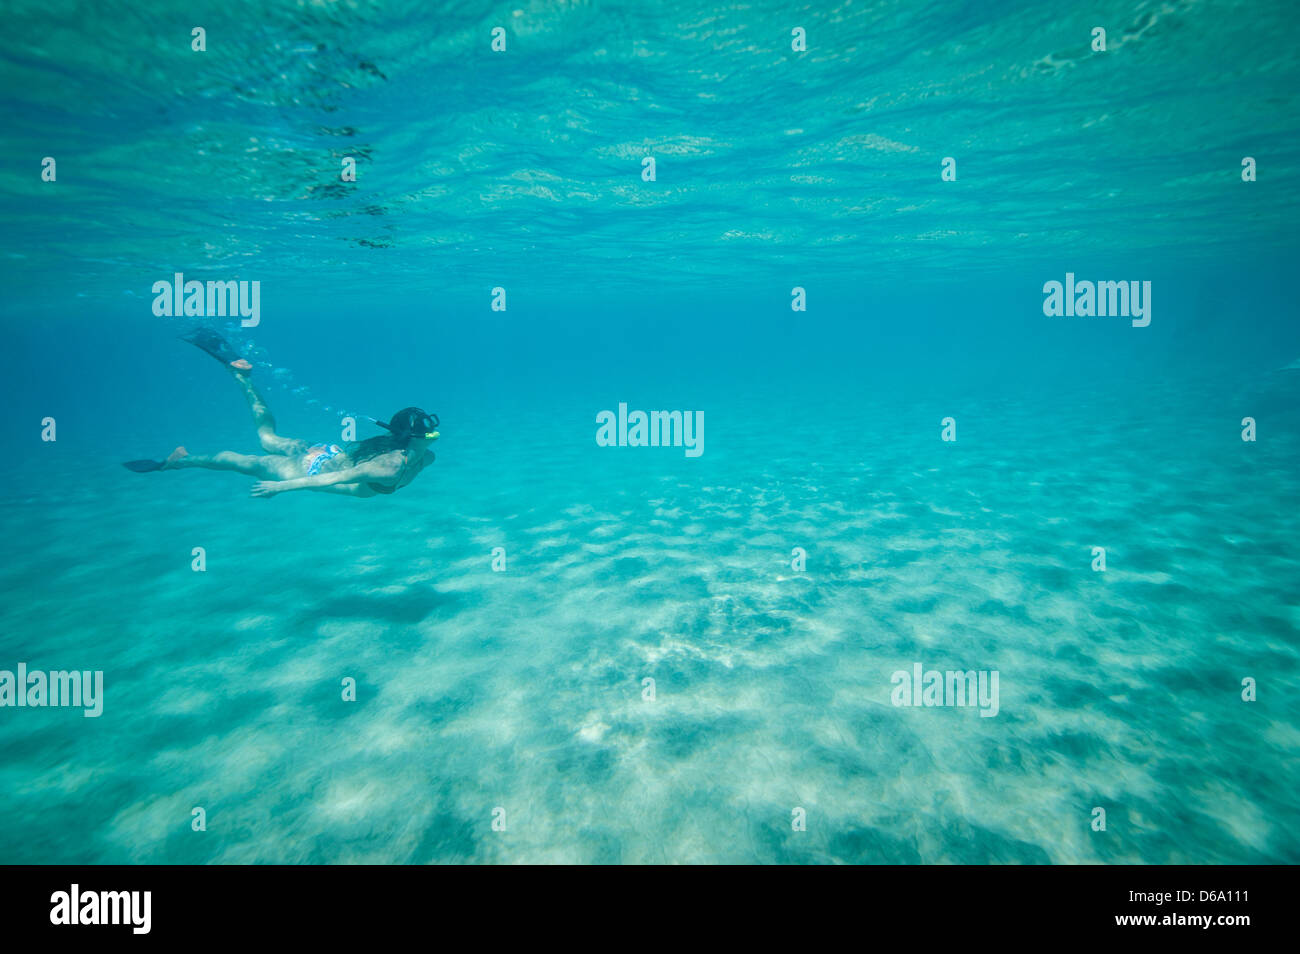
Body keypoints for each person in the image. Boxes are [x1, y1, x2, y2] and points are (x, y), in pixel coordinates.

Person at [124, 329, 438, 498]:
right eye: (428, 430)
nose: (433, 434)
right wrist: (279, 487)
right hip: (312, 468)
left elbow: (343, 469)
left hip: (328, 452)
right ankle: (180, 461)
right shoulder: (389, 467)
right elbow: (334, 478)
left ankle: (241, 378)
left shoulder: (421, 456)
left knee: (267, 437)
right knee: (246, 462)